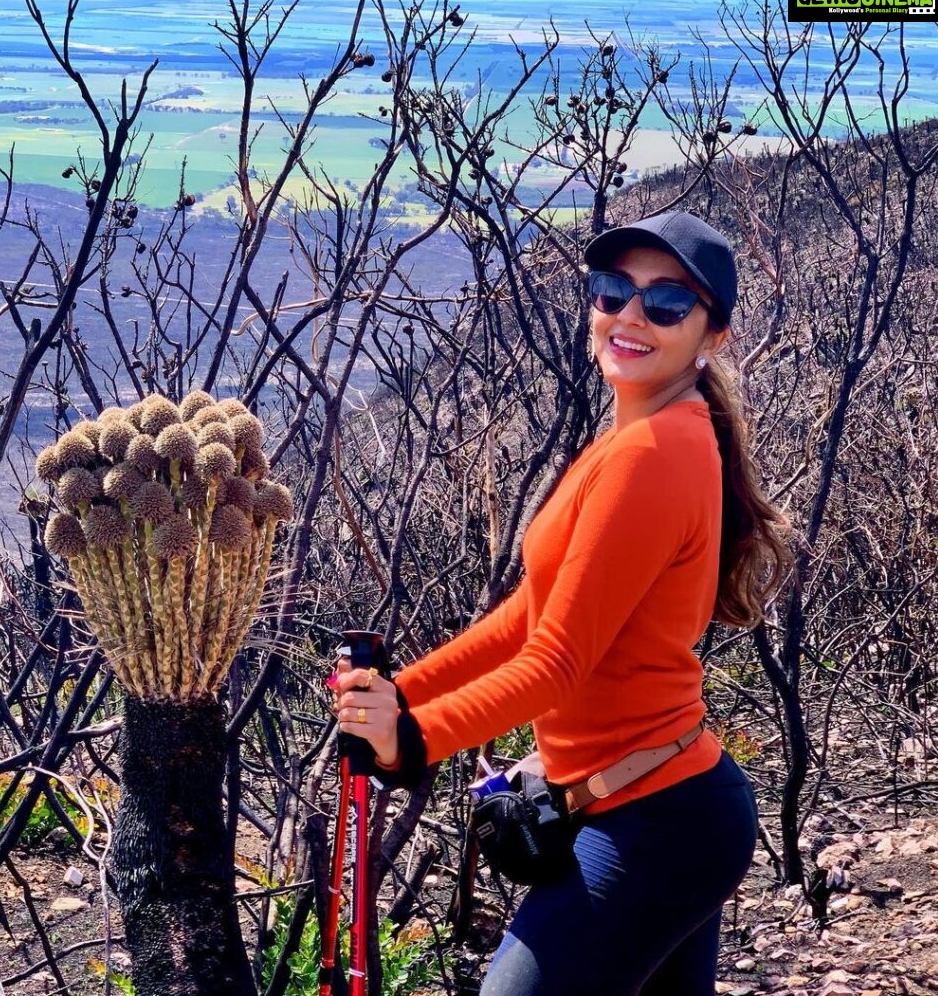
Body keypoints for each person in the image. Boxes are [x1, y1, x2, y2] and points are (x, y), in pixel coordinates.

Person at [332, 210, 792, 995]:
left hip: (657, 820)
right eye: (613, 291)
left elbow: (557, 664)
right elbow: (525, 617)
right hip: (661, 805)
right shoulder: (635, 437)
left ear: (713, 336)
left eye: (668, 302)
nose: (630, 315)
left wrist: (412, 739)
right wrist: (400, 695)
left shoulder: (652, 453)